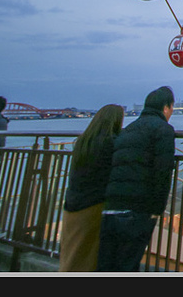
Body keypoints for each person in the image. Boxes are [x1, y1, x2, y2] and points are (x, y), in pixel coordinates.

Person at [97, 86, 176, 272]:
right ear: (166, 108)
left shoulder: (127, 130)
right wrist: (157, 209)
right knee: (128, 264)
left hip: (111, 206)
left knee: (105, 264)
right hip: (137, 209)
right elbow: (163, 171)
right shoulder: (163, 130)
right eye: (172, 107)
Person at [59, 104, 124, 272]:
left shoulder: (83, 141)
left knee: (72, 253)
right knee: (89, 257)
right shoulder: (111, 143)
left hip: (72, 203)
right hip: (94, 205)